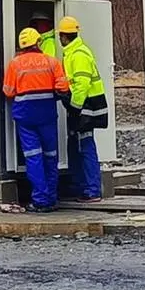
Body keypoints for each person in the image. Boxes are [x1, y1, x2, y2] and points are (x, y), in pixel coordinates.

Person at [1, 26, 69, 212]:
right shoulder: (51, 61)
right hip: (47, 114)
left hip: (25, 116)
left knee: (33, 157)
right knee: (50, 156)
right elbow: (62, 87)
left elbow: (8, 91)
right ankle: (51, 198)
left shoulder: (15, 64)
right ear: (38, 42)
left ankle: (40, 200)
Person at [58, 15, 108, 202]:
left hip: (86, 108)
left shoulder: (78, 54)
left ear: (64, 36)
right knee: (77, 146)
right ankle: (82, 186)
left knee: (85, 146)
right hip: (85, 107)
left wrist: (74, 107)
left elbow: (82, 85)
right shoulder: (74, 52)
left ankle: (92, 189)